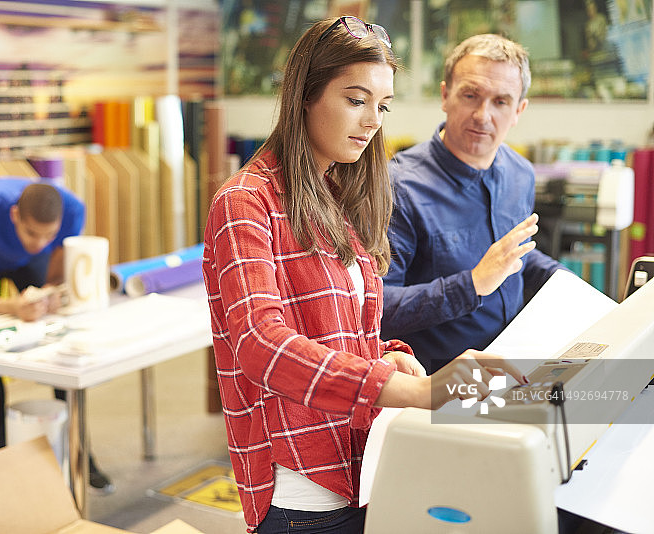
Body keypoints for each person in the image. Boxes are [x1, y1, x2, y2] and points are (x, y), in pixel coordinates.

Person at [202, 17, 526, 534]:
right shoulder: (246, 201)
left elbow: (344, 329)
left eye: (383, 105)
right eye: (356, 100)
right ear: (304, 96)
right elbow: (260, 344)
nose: (373, 120)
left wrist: (390, 357)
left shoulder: (335, 196)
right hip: (303, 486)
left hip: (363, 460)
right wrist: (412, 393)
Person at [380, 34, 563, 374]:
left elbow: (512, 252)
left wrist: (567, 284)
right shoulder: (397, 187)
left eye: (501, 102)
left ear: (519, 110)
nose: (483, 115)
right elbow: (376, 307)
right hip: (439, 382)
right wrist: (473, 284)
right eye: (470, 95)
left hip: (515, 365)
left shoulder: (520, 172)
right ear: (445, 95)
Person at [0, 176, 115, 494]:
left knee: (60, 343)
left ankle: (81, 452)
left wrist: (50, 295)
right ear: (15, 215)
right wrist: (13, 307)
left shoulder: (72, 210)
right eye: (31, 233)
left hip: (27, 267)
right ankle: (0, 453)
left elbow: (53, 278)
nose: (39, 243)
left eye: (49, 236)